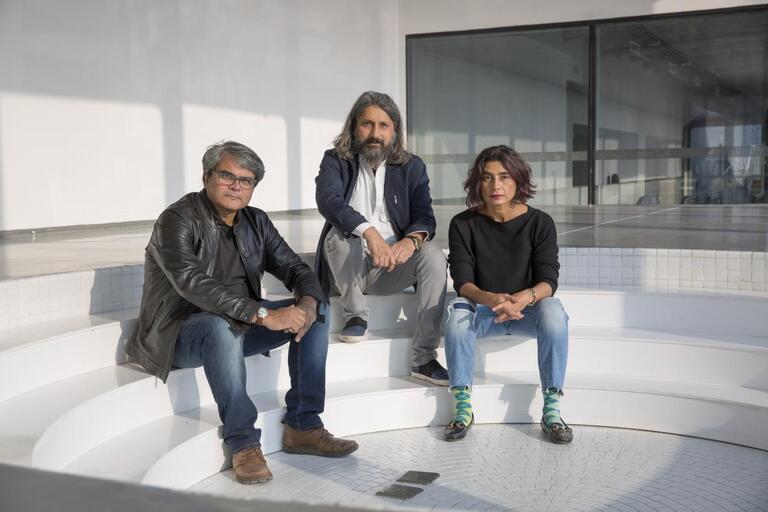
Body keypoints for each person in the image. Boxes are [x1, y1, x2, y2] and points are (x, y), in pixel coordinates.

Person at [126, 141, 358, 485]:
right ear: (207, 177)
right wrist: (263, 315)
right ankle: (244, 443)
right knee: (217, 327)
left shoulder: (255, 222)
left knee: (318, 310)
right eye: (227, 176)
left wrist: (308, 301)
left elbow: (295, 267)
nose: (236, 186)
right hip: (178, 333)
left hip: (240, 325)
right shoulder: (175, 220)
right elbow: (193, 283)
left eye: (246, 180)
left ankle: (303, 425)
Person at [314, 91, 449, 385]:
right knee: (340, 235)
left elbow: (425, 216)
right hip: (347, 268)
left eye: (384, 125)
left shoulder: (412, 166)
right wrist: (369, 231)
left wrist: (409, 241)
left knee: (434, 255)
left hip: (392, 266)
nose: (375, 133)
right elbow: (328, 201)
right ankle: (356, 316)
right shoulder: (335, 160)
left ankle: (424, 358)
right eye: (367, 124)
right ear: (354, 127)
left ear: (395, 130)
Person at [443, 145, 572, 444]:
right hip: (487, 313)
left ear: (518, 180)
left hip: (526, 312)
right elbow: (463, 282)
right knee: (458, 312)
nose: (496, 186)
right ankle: (463, 408)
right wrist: (493, 300)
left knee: (552, 309)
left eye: (504, 177)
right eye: (487, 178)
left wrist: (523, 298)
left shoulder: (540, 223)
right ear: (478, 182)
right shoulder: (463, 224)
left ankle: (551, 410)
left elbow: (548, 280)